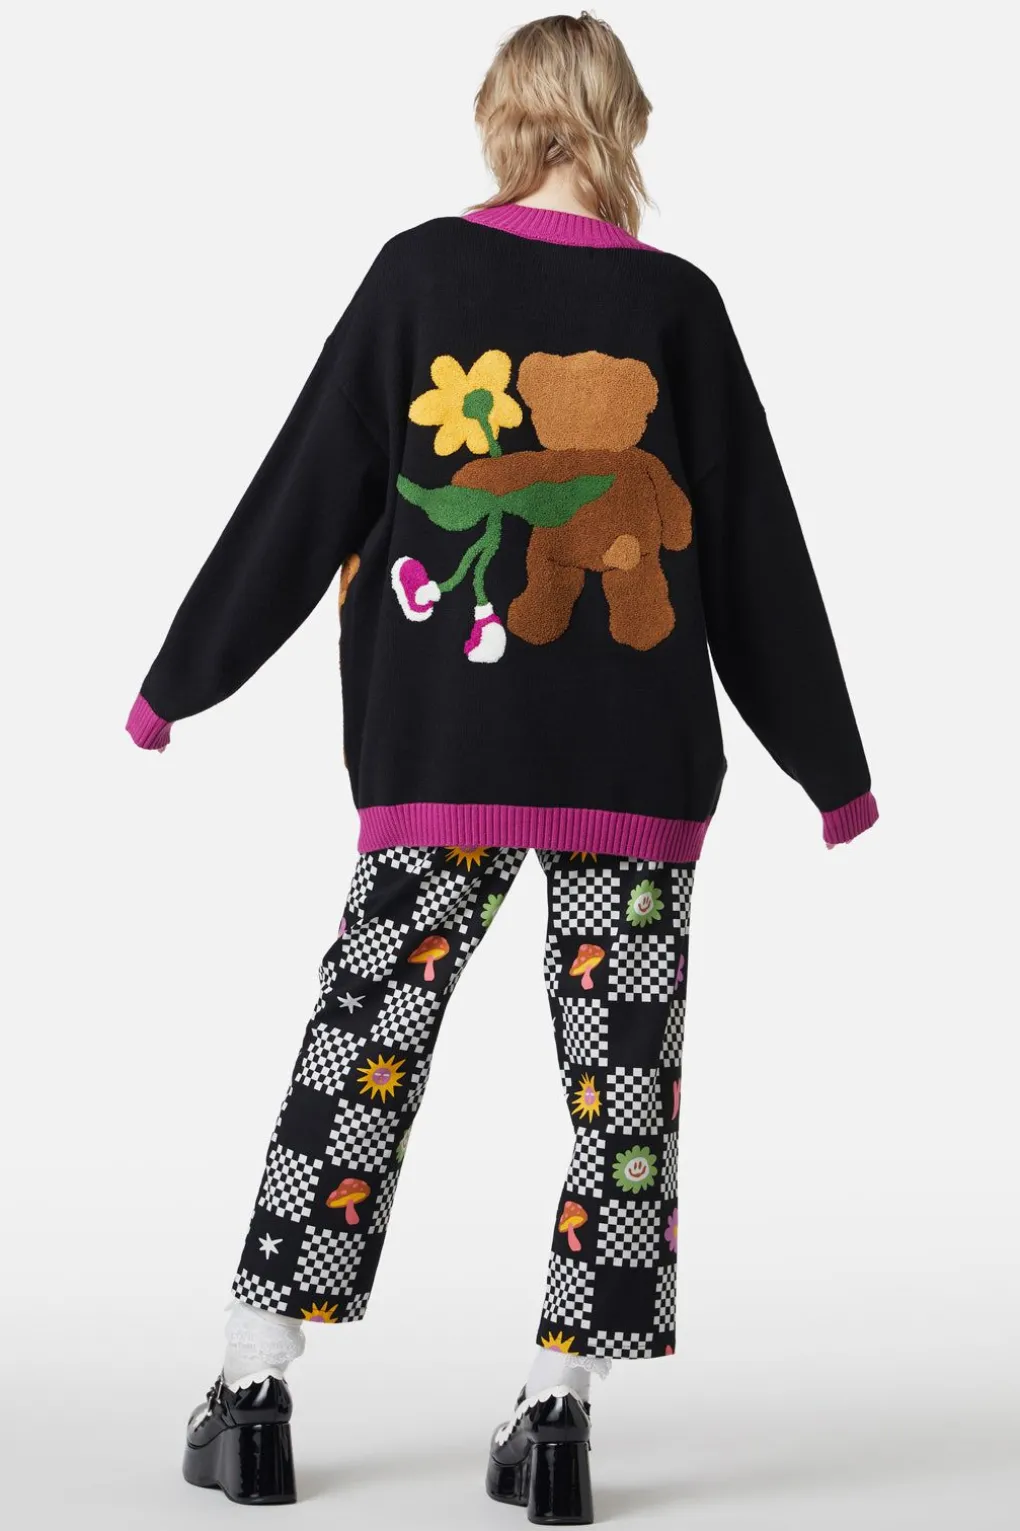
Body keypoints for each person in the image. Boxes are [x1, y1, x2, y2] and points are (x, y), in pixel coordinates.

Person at [126, 12, 878, 1523]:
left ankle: (255, 1384)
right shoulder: (678, 304)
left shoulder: (418, 275)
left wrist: (179, 681)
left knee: (366, 1039)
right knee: (625, 1087)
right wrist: (830, 766)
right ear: (625, 123)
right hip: (633, 777)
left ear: (503, 118)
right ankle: (558, 1413)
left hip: (443, 754)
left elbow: (303, 492)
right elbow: (753, 556)